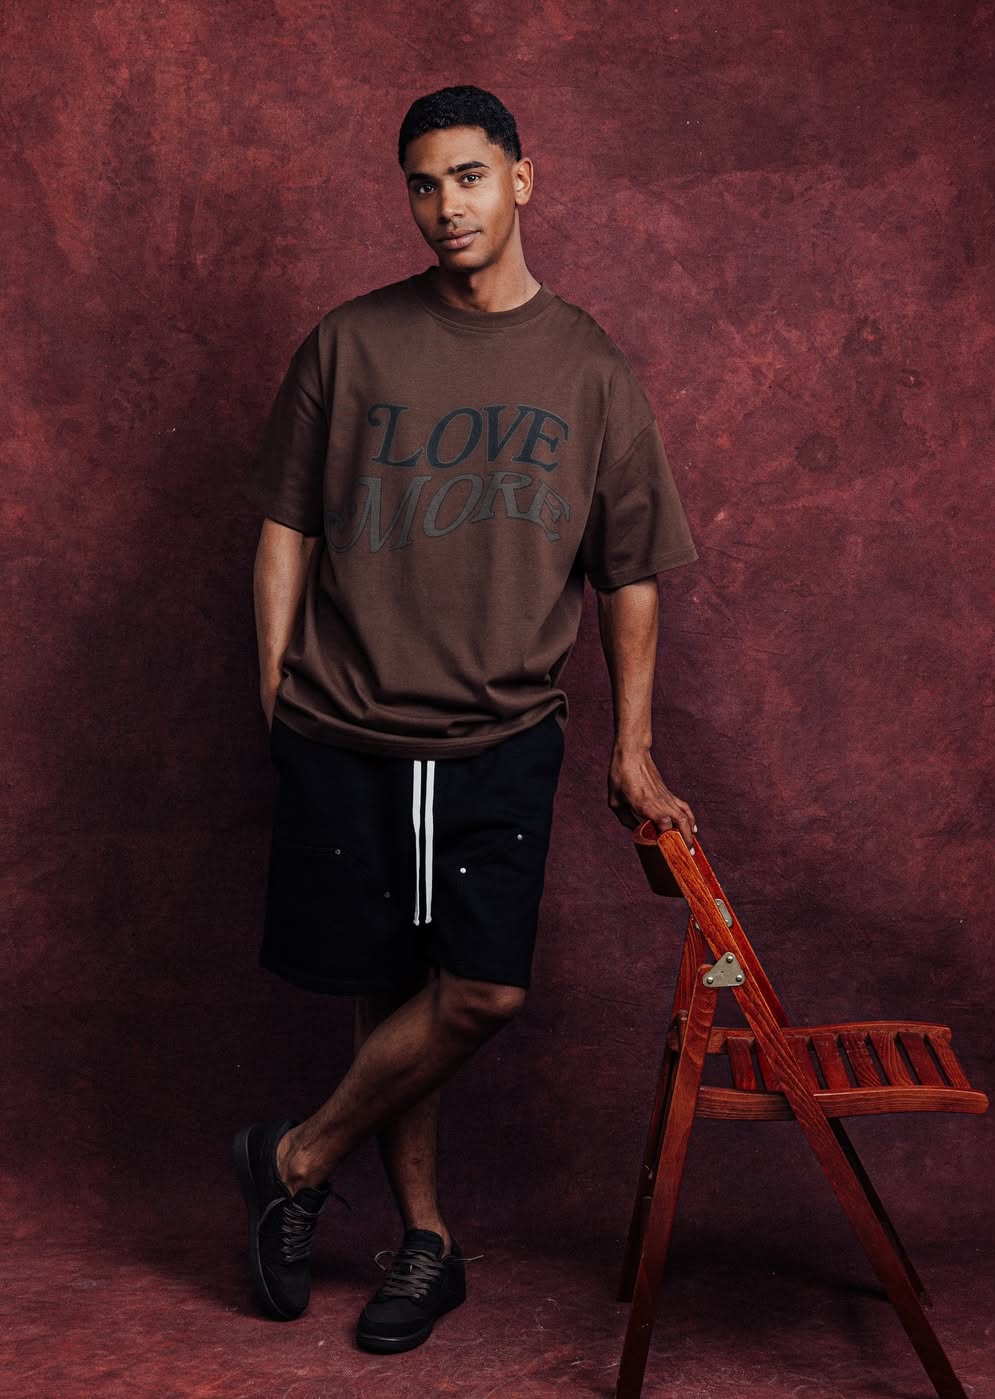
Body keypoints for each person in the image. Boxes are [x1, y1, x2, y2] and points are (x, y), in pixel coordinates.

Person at [233, 83, 699, 1357]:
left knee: (479, 990)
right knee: (389, 987)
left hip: (499, 729)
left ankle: (295, 1155)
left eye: (471, 176)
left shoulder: (586, 365)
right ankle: (424, 1244)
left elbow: (632, 571)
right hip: (348, 723)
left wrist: (632, 745)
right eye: (424, 184)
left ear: (523, 180)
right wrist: (275, 690)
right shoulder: (350, 344)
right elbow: (284, 526)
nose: (447, 205)